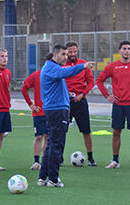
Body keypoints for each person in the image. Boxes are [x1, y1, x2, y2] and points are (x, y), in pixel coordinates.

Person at [37, 45, 94, 188]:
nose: (66, 57)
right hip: (56, 111)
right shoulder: (52, 68)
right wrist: (83, 66)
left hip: (55, 109)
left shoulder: (51, 68)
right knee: (57, 144)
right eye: (63, 54)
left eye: (67, 54)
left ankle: (43, 177)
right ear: (55, 55)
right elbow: (68, 72)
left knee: (51, 144)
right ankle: (53, 179)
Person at [96, 41, 130, 169]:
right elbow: (99, 80)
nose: (126, 51)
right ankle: (115, 160)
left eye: (129, 49)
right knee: (116, 132)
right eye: (124, 49)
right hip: (118, 104)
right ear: (119, 51)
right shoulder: (112, 66)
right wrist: (107, 96)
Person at [64, 41, 96, 166]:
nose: (72, 54)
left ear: (77, 51)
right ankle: (59, 158)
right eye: (70, 52)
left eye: (74, 51)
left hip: (80, 102)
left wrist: (82, 94)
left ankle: (91, 158)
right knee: (62, 131)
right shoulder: (61, 65)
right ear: (66, 52)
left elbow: (91, 82)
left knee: (86, 131)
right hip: (65, 103)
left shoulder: (84, 64)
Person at [22, 53, 52, 170]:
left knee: (48, 137)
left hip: (51, 112)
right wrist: (31, 104)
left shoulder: (55, 76)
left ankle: (46, 160)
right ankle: (36, 161)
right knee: (39, 136)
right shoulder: (36, 75)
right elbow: (24, 88)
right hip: (39, 112)